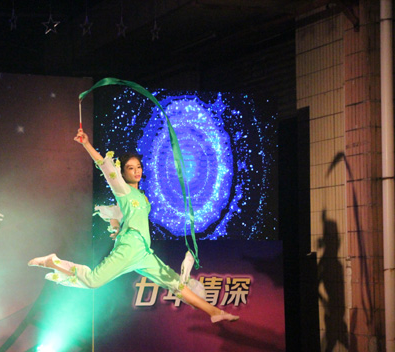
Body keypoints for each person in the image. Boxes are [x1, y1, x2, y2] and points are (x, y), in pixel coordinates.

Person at [28, 129, 238, 323]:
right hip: (129, 248)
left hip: (144, 252)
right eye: (130, 168)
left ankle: (214, 312)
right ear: (123, 172)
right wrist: (86, 144)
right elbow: (105, 166)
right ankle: (53, 262)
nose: (136, 171)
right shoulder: (123, 190)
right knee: (92, 281)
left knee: (176, 283)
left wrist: (117, 226)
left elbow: (123, 216)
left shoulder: (141, 196)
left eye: (138, 167)